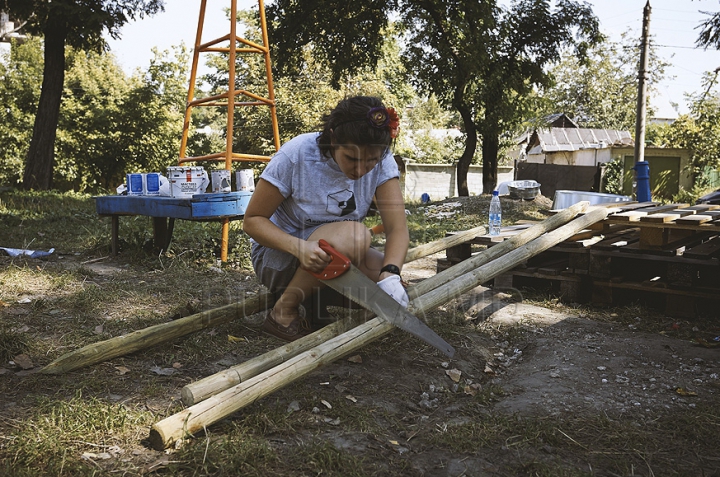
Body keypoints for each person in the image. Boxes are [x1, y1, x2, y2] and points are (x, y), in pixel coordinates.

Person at [243, 96, 410, 342]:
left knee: (394, 292)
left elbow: (397, 229)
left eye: (371, 161)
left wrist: (390, 274)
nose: (362, 170)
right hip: (280, 258)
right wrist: (299, 248)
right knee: (355, 236)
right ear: (333, 139)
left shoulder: (383, 159)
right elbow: (252, 220)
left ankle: (314, 302)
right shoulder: (296, 154)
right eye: (352, 159)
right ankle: (283, 311)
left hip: (340, 252)